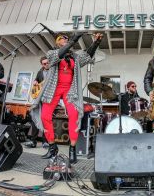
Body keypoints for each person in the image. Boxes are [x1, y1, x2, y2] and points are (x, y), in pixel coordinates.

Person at [32, 32, 103, 163]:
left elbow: (88, 56)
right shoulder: (52, 53)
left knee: (74, 116)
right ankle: (52, 147)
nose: (65, 39)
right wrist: (74, 39)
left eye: (67, 38)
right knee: (45, 116)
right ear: (57, 42)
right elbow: (59, 55)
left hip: (69, 91)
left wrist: (96, 42)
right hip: (53, 89)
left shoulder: (74, 57)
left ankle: (72, 149)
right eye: (61, 38)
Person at [24, 56, 49, 148]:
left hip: (48, 98)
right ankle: (33, 141)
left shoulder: (53, 71)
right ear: (42, 64)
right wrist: (35, 81)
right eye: (44, 64)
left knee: (45, 119)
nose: (46, 65)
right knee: (35, 118)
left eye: (47, 63)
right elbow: (37, 80)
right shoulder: (40, 72)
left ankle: (45, 141)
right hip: (39, 98)